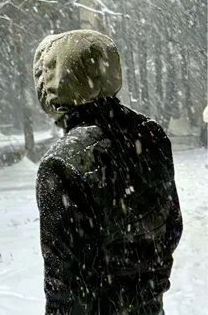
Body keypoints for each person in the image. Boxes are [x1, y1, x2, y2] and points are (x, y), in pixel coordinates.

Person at [34, 29, 182, 315]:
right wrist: (146, 284)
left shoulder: (60, 164)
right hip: (150, 306)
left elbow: (64, 280)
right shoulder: (150, 133)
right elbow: (171, 227)